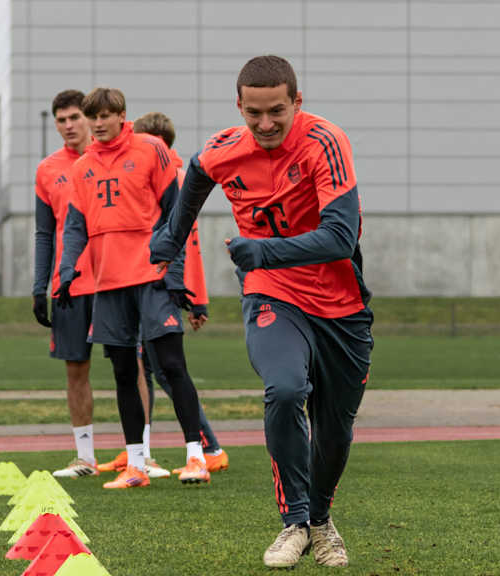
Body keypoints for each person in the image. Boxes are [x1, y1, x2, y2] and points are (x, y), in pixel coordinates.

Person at [150, 55, 373, 568]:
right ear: (240, 107)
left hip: (341, 305)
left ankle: (321, 520)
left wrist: (263, 250)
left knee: (335, 431)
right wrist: (172, 238)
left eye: (277, 111)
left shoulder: (326, 142)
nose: (266, 124)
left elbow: (341, 237)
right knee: (286, 388)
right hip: (272, 292)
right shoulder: (225, 147)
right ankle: (295, 521)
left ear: (297, 101)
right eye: (254, 113)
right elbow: (197, 177)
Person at [57, 87, 210, 490]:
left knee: (172, 366)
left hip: (151, 277)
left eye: (107, 115)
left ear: (122, 115)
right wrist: (66, 271)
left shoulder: (149, 149)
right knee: (124, 372)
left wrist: (174, 273)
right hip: (108, 282)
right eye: (94, 117)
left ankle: (197, 457)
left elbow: (175, 213)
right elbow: (75, 224)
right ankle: (136, 465)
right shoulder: (82, 167)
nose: (100, 123)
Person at [96, 112, 228, 478]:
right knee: (143, 369)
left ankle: (204, 448)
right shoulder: (139, 175)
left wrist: (192, 295)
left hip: (158, 285)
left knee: (167, 370)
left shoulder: (178, 179)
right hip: (133, 285)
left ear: (159, 143)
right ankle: (143, 452)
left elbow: (190, 243)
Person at [32, 90, 100, 479]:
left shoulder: (109, 159)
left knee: (135, 367)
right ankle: (85, 457)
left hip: (115, 279)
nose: (69, 125)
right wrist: (39, 286)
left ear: (89, 118)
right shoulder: (46, 169)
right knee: (76, 369)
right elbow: (45, 233)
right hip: (69, 285)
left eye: (75, 117)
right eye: (61, 120)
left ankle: (140, 457)